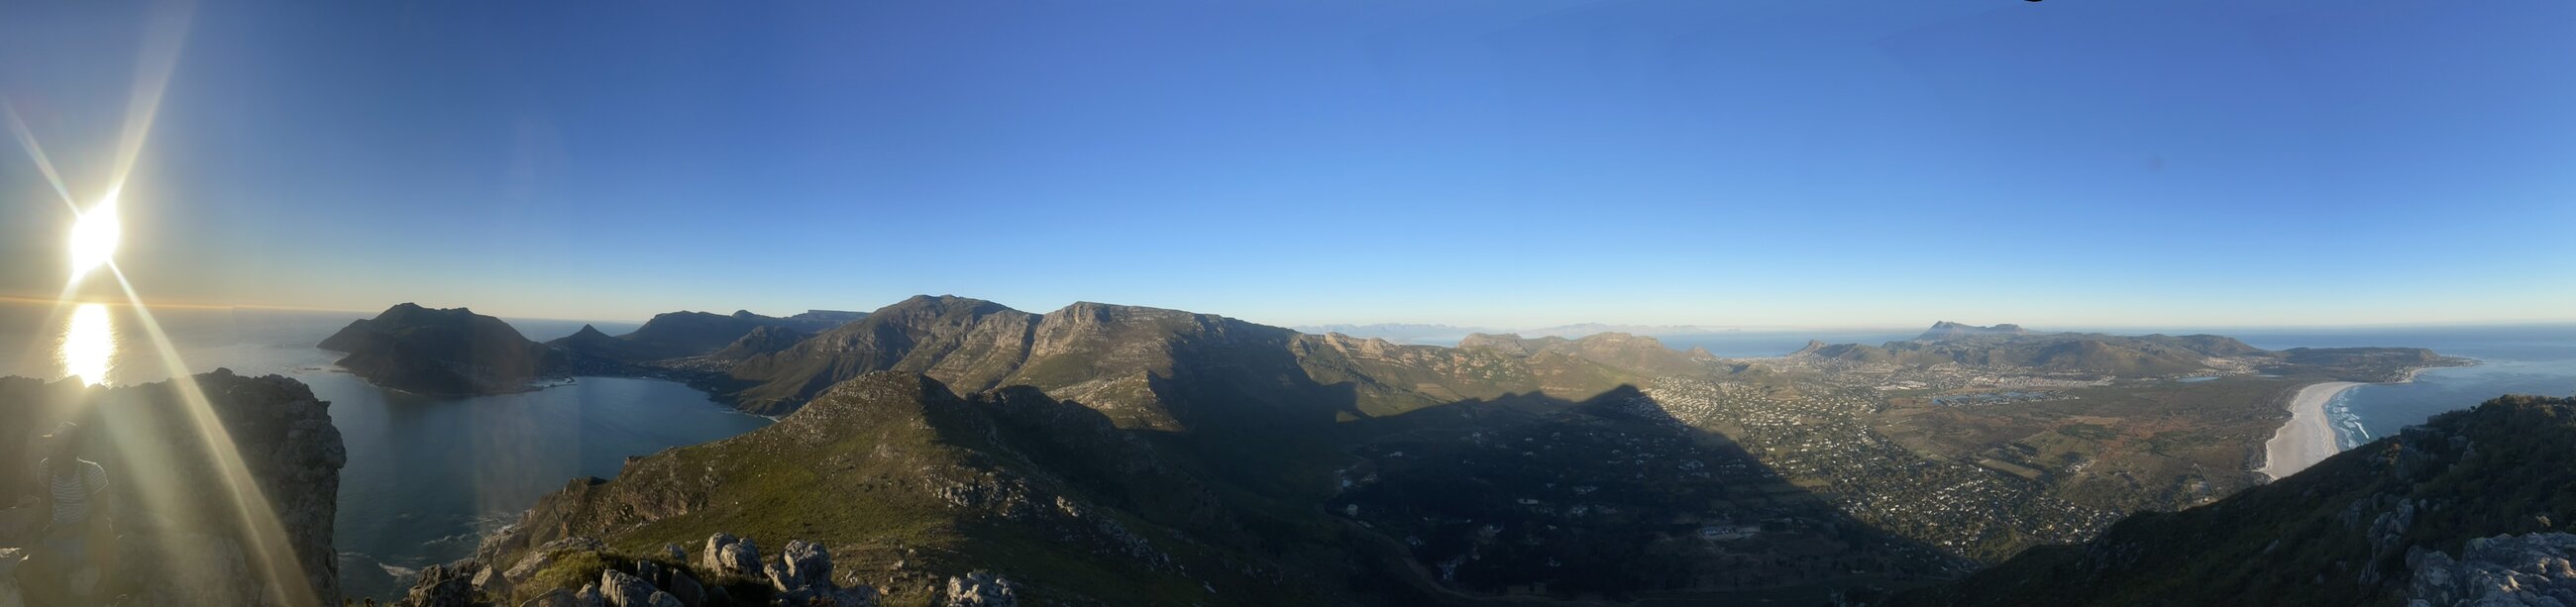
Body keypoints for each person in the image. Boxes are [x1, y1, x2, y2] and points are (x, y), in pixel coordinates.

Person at [19, 422, 111, 605]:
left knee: (27, 572)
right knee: (23, 570)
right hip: (57, 536)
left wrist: (73, 530)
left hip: (86, 539)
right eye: (50, 445)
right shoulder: (46, 468)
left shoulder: (93, 473)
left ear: (72, 450)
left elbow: (103, 515)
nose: (51, 451)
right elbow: (44, 505)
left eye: (57, 447)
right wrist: (36, 538)